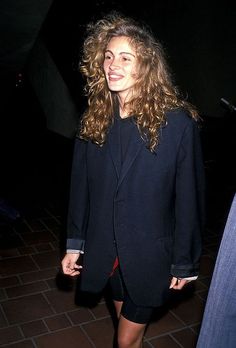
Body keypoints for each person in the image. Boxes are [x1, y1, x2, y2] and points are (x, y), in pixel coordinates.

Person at [61, 11, 205, 348]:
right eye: (109, 56)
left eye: (126, 57)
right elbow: (79, 188)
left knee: (124, 340)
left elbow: (189, 198)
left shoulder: (178, 124)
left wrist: (185, 261)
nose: (114, 65)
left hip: (150, 254)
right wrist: (74, 243)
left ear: (146, 66)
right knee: (128, 330)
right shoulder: (94, 118)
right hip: (106, 251)